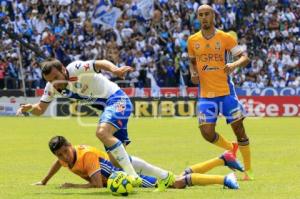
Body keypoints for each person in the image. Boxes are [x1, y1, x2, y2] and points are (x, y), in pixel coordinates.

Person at [16, 58, 174, 188]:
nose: (54, 83)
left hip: (117, 99)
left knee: (101, 132)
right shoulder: (52, 88)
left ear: (63, 69)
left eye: (56, 78)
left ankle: (132, 176)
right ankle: (165, 176)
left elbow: (100, 63)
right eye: (50, 81)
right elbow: (40, 109)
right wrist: (29, 109)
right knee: (116, 161)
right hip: (107, 108)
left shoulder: (75, 68)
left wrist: (115, 70)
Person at [187, 5, 252, 180]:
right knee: (207, 133)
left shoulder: (225, 38)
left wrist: (233, 65)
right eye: (200, 15)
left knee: (239, 129)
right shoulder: (192, 40)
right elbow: (192, 61)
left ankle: (248, 171)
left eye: (207, 14)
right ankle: (231, 148)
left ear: (213, 16)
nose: (204, 17)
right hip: (206, 95)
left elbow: (245, 58)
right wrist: (193, 73)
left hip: (226, 93)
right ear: (198, 18)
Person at [33, 136, 242, 190]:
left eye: (66, 152)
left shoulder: (85, 155)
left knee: (176, 184)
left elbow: (97, 184)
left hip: (130, 171)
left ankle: (225, 178)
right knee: (175, 177)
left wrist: (72, 186)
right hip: (127, 167)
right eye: (61, 155)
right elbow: (57, 164)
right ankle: (222, 159)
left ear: (70, 145)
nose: (65, 157)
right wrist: (44, 181)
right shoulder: (64, 158)